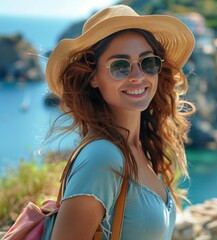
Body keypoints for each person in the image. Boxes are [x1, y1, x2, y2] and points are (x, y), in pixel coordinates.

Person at [45, 4, 195, 240]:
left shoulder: (138, 149)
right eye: (120, 66)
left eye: (148, 63)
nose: (137, 76)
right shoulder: (102, 157)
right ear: (93, 76)